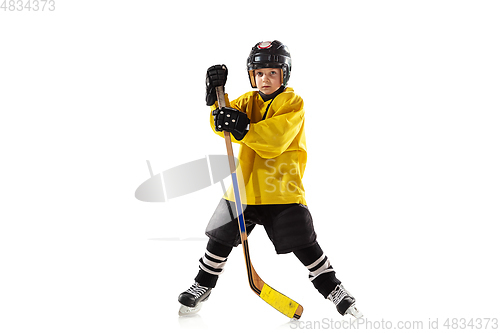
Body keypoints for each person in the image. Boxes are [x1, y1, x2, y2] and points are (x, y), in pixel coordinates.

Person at [178, 40, 361, 318]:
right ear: (252, 75)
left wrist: (244, 126)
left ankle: (335, 290)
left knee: (304, 243)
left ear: (284, 74)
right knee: (219, 238)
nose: (265, 79)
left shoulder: (292, 103)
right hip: (245, 188)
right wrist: (215, 102)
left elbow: (275, 139)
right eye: (260, 73)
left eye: (272, 73)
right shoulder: (247, 101)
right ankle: (201, 286)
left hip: (281, 189)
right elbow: (224, 122)